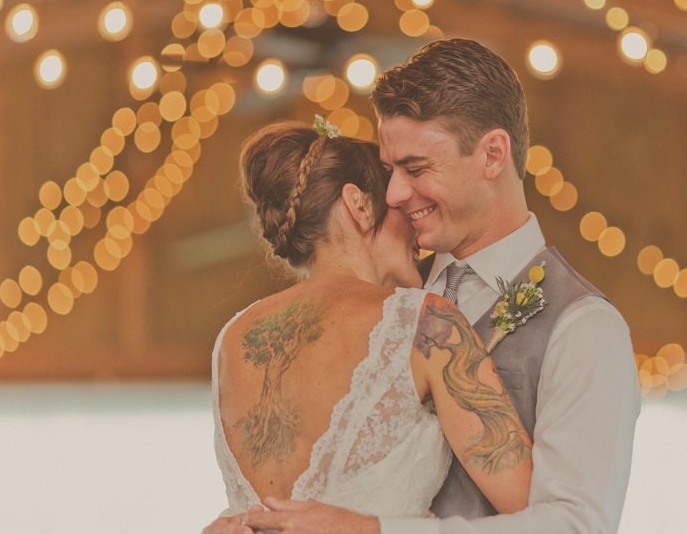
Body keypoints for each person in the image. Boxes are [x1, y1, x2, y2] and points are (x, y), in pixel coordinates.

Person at [236, 38, 641, 533]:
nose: (393, 193)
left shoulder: (584, 327)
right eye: (388, 170)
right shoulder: (389, 305)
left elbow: (578, 527)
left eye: (415, 168)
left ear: (492, 154)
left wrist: (374, 531)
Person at [204, 117, 533, 533]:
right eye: (398, 205)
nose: (416, 223)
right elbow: (539, 516)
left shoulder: (232, 339)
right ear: (358, 205)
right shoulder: (427, 325)